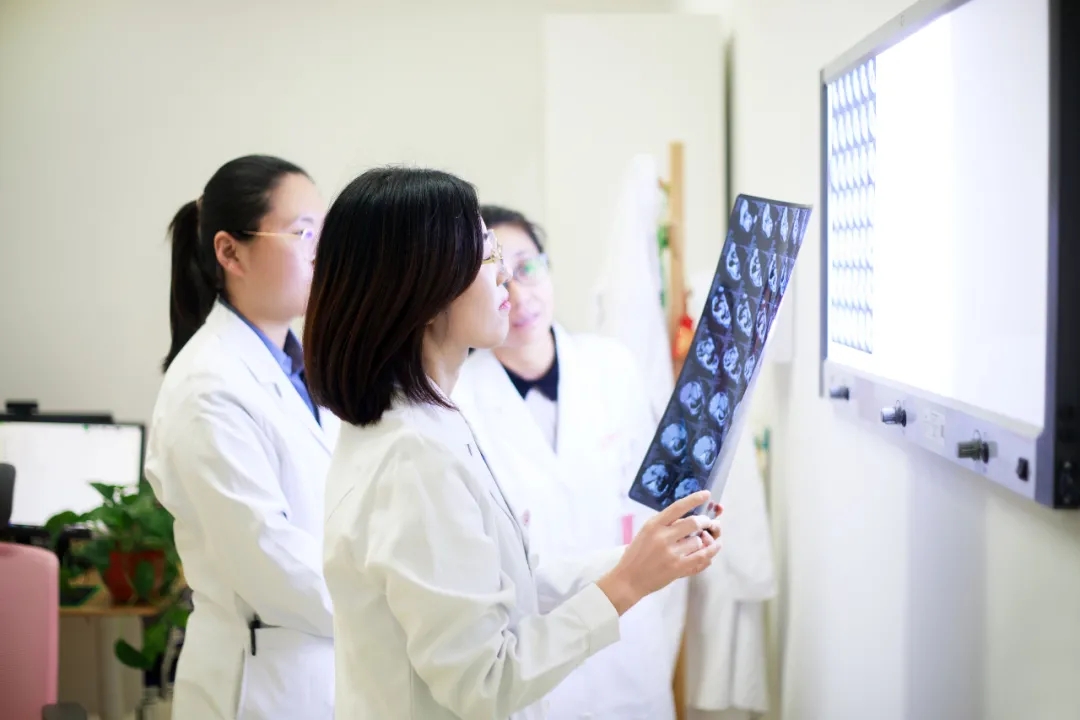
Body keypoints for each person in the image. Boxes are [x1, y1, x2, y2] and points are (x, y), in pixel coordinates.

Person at [305, 166, 722, 720]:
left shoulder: (427, 422)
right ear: (424, 291)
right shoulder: (414, 456)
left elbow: (507, 585)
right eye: (485, 257)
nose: (505, 276)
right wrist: (626, 583)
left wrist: (643, 557)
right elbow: (484, 682)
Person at [450, 205, 690, 719]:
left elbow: (654, 503)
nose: (519, 295)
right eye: (497, 277)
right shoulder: (456, 401)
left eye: (527, 267)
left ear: (549, 265)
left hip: (632, 648)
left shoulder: (613, 366)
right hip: (537, 660)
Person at [144, 155, 338, 720]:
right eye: (304, 234)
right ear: (231, 253)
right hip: (260, 685)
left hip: (322, 669)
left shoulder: (304, 369)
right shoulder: (208, 387)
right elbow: (272, 563)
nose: (323, 254)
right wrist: (399, 607)